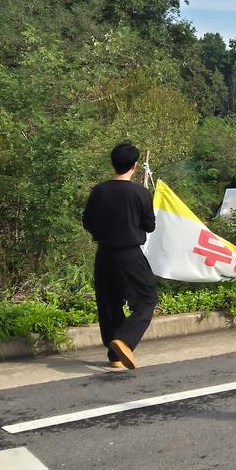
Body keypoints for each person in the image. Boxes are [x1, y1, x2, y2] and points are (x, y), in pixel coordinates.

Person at [83, 143, 157, 369]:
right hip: (130, 254)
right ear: (134, 166)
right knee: (146, 299)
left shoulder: (99, 191)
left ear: (113, 163)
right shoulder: (140, 193)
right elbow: (150, 226)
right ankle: (124, 341)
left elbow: (87, 222)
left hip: (104, 254)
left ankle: (115, 356)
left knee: (109, 303)